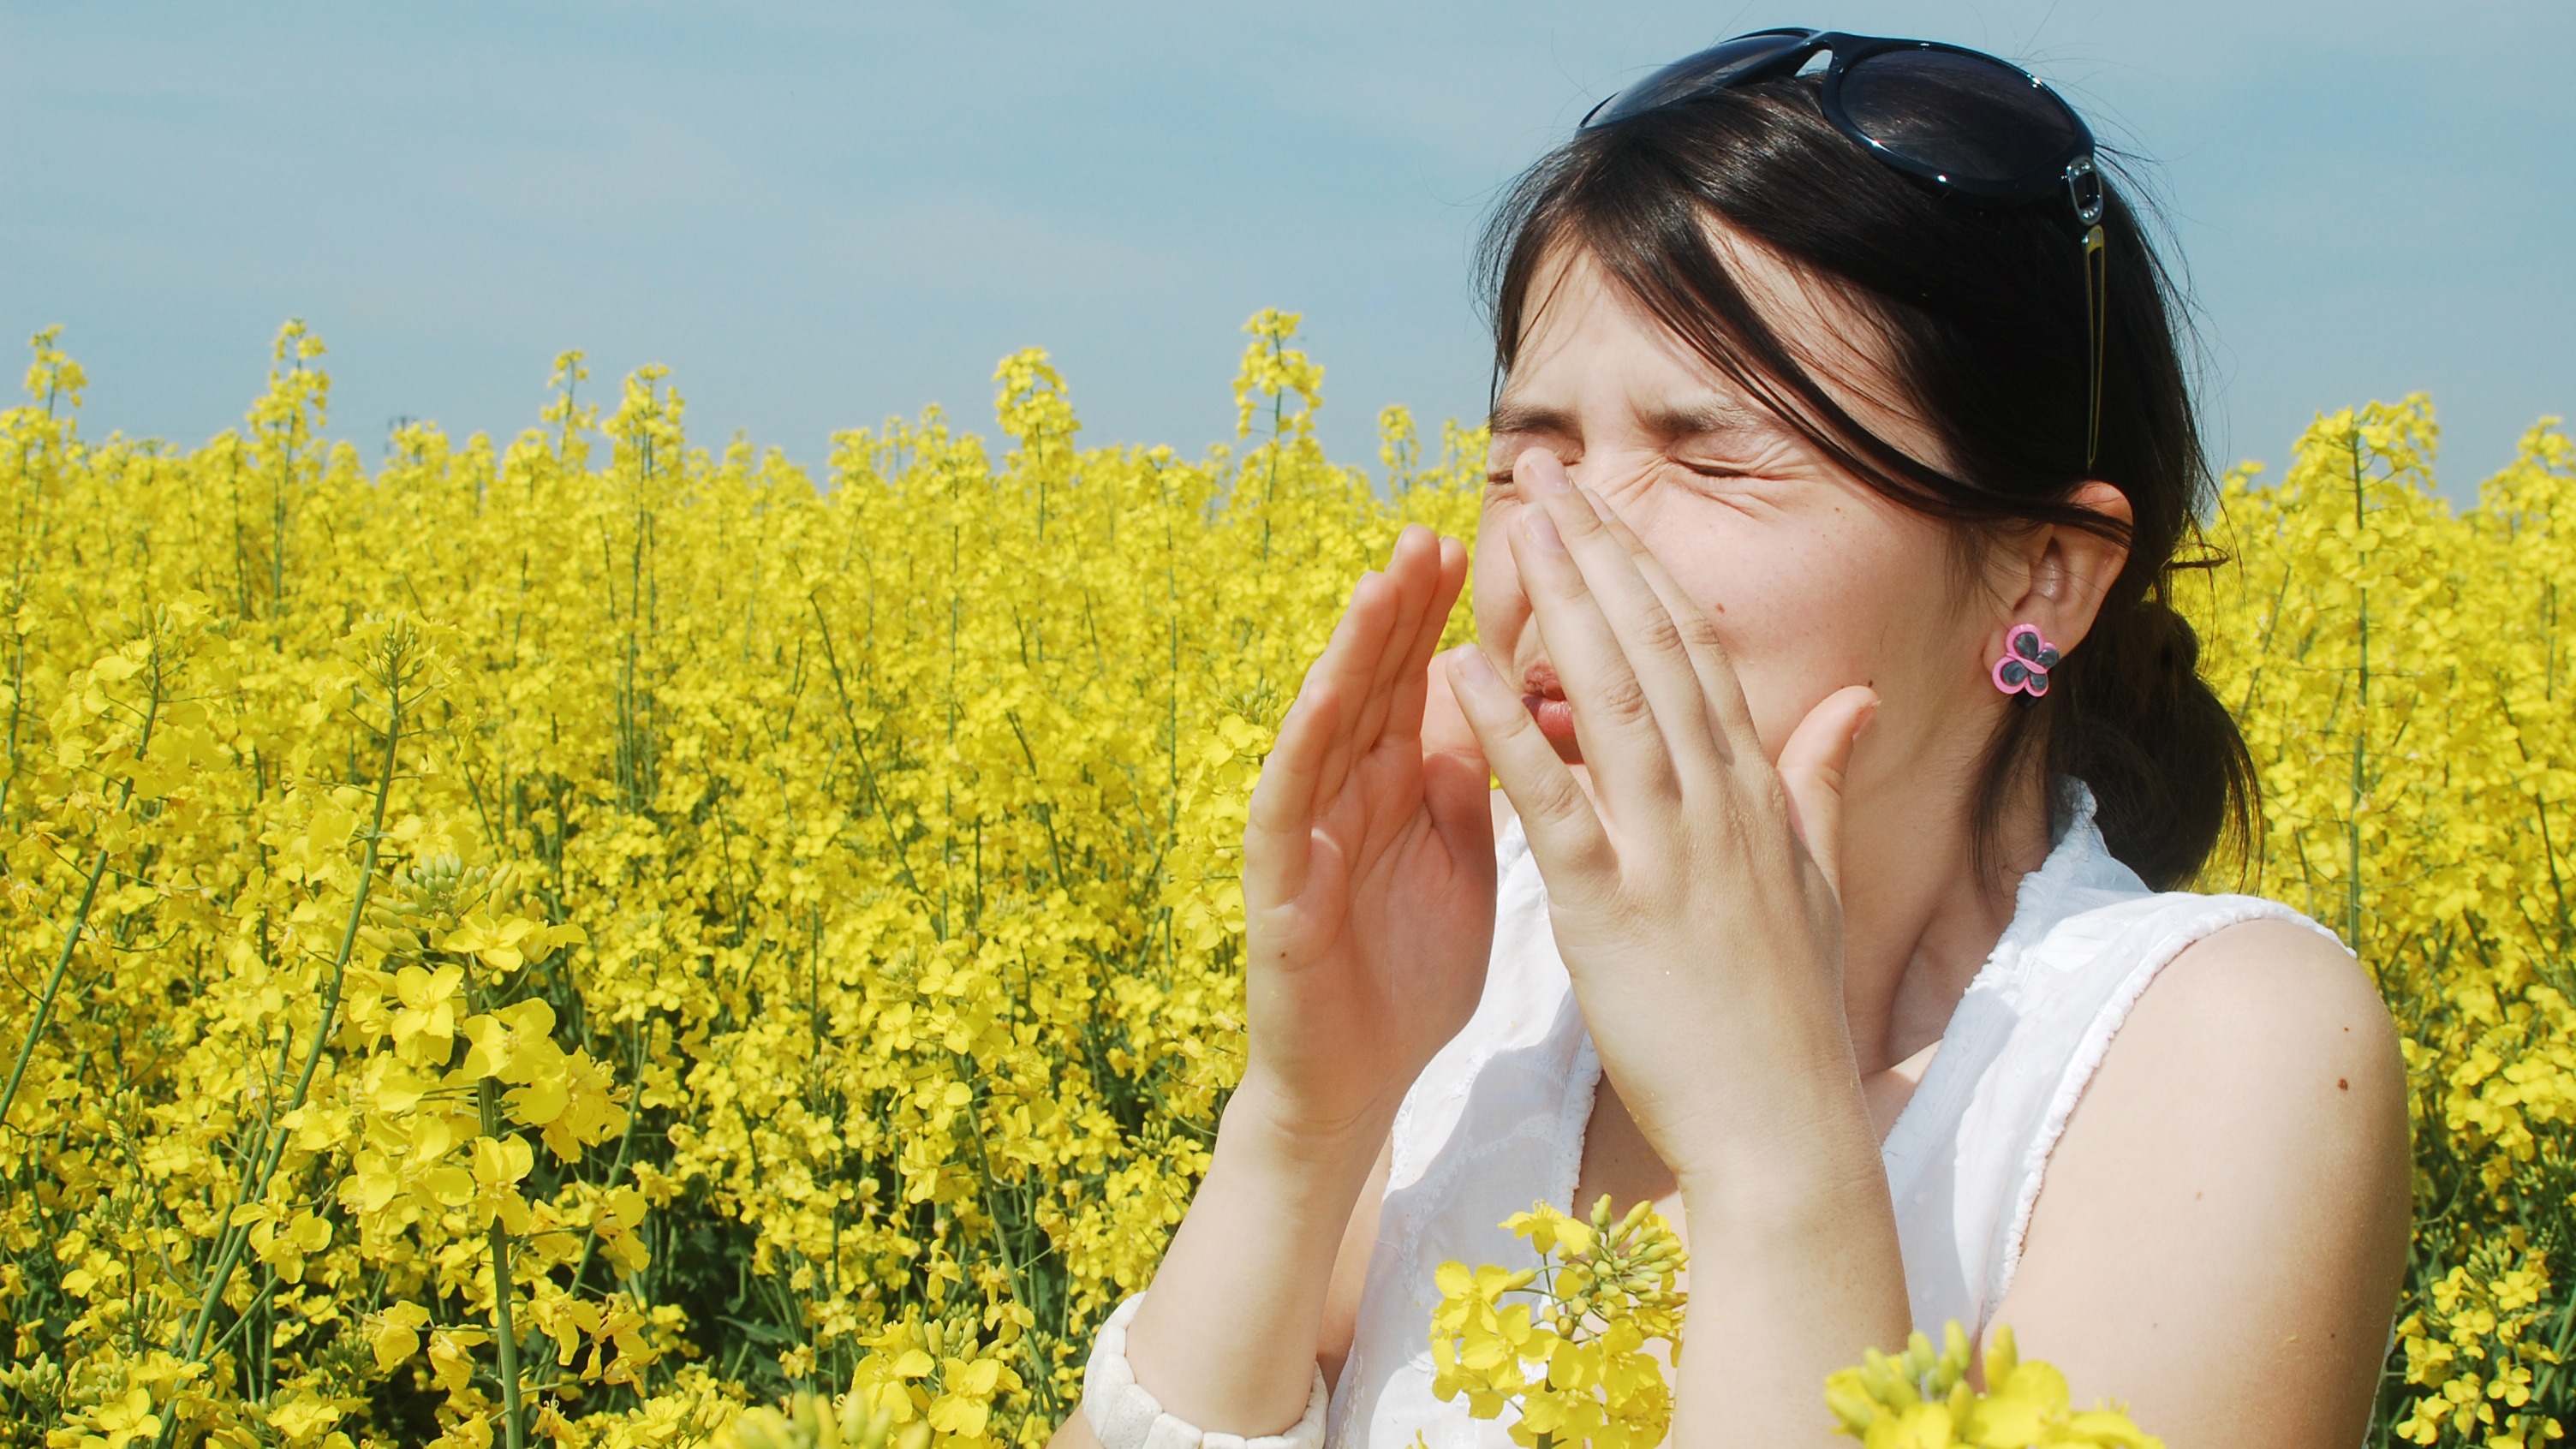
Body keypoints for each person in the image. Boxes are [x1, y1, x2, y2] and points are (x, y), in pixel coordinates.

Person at [1053, 30, 2410, 1449]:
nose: (1565, 544)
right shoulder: (1488, 979)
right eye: (1531, 458)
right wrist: (1303, 1125)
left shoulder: (2218, 1051)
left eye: (1710, 457)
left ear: (2043, 578)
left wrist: (1775, 1157)